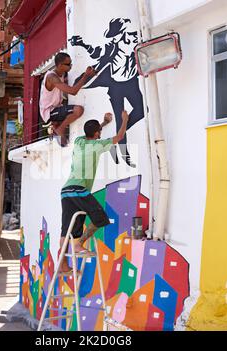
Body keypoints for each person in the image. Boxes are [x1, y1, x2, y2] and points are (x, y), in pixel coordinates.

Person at [59, 110, 129, 272]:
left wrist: (103, 123)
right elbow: (118, 138)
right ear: (97, 133)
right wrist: (124, 120)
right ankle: (78, 244)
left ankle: (62, 264)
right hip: (78, 190)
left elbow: (92, 132)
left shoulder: (79, 141)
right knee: (101, 218)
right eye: (99, 132)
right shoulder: (98, 145)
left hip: (66, 191)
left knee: (66, 230)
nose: (100, 134)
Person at [69, 18, 144, 166]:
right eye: (130, 34)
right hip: (116, 86)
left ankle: (117, 135)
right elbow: (97, 53)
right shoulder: (112, 48)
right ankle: (124, 153)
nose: (134, 36)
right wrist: (82, 44)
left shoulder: (136, 46)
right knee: (119, 117)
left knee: (142, 110)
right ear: (119, 37)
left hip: (131, 83)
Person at [39, 52, 97, 146]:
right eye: (68, 64)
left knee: (64, 144)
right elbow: (73, 91)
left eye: (71, 63)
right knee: (78, 110)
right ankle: (60, 129)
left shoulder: (62, 74)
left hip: (57, 108)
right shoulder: (52, 77)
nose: (70, 66)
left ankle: (59, 130)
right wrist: (86, 76)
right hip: (49, 112)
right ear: (60, 65)